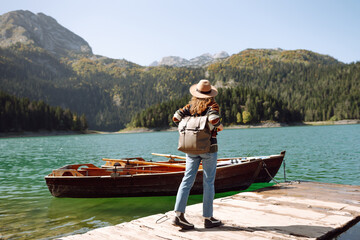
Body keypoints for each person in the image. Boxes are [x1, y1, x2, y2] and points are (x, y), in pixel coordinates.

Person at [172, 79, 224, 230]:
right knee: (208, 182)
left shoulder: (190, 106)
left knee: (187, 180)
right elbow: (214, 119)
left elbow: (176, 117)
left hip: (190, 148)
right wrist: (219, 126)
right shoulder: (212, 105)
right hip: (208, 148)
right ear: (210, 94)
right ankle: (208, 218)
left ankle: (178, 215)